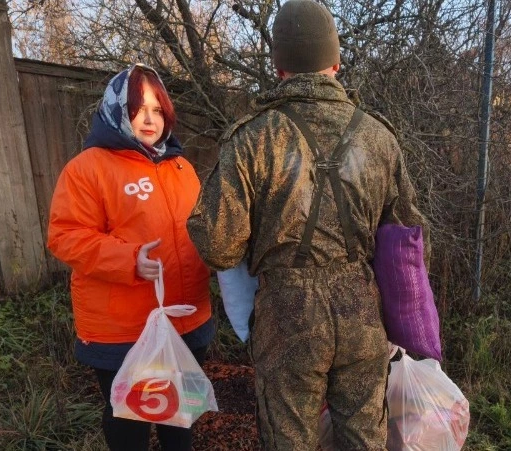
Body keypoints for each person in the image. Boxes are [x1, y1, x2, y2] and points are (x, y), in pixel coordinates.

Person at [187, 0, 429, 448]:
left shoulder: (252, 137)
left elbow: (218, 246)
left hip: (287, 318)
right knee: (364, 440)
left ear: (278, 67)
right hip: (363, 312)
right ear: (335, 62)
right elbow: (408, 239)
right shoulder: (379, 136)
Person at [47, 64, 213, 451]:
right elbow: (65, 235)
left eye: (157, 109)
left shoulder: (182, 167)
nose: (150, 119)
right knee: (129, 424)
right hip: (124, 330)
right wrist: (128, 260)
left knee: (179, 418)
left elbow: (201, 229)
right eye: (139, 109)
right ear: (118, 110)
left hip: (187, 318)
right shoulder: (88, 169)